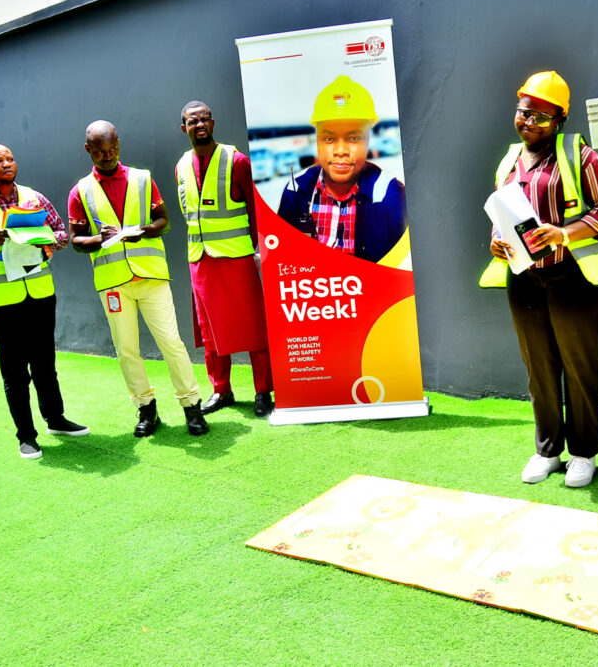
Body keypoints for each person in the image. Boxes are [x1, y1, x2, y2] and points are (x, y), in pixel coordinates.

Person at [486, 71, 598, 488]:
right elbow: (501, 213)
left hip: (572, 276)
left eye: (541, 117)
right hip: (524, 278)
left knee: (579, 368)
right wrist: (497, 240)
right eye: (524, 112)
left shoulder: (580, 155)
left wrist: (564, 233)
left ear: (559, 120)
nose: (529, 122)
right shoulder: (510, 159)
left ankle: (583, 453)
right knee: (538, 367)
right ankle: (547, 451)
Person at [68, 120, 208, 437]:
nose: (108, 156)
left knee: (171, 342)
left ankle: (192, 406)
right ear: (88, 149)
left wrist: (141, 231)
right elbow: (75, 240)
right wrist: (98, 239)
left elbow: (165, 222)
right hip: (113, 283)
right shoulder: (80, 191)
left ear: (119, 143)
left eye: (112, 149)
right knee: (127, 350)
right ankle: (146, 408)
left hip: (151, 276)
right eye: (100, 151)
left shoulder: (142, 179)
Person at [0, 143, 88, 459]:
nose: (6, 164)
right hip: (4, 300)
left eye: (10, 158)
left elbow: (62, 235)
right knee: (15, 373)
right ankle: (26, 436)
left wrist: (44, 238)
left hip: (41, 293)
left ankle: (55, 419)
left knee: (45, 364)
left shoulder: (34, 197)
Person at [176, 101, 274, 417]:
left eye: (204, 119)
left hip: (237, 258)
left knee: (254, 327)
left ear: (213, 123)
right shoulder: (181, 166)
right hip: (200, 260)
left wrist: (257, 249)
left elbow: (257, 211)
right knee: (210, 331)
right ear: (184, 128)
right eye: (193, 121)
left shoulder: (238, 161)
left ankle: (263, 391)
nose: (200, 125)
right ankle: (221, 390)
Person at [277, 75, 406, 263]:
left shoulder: (390, 194)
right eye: (328, 139)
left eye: (354, 138)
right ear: (317, 140)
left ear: (368, 140)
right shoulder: (295, 190)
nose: (340, 151)